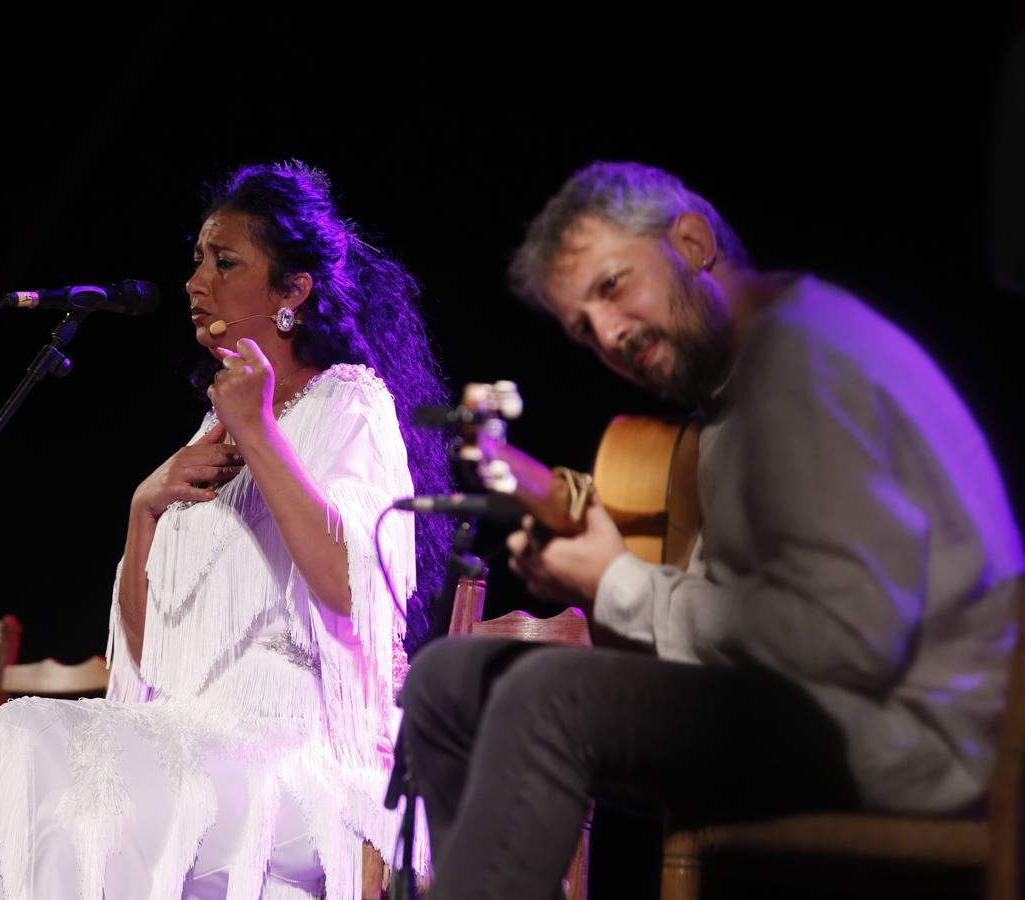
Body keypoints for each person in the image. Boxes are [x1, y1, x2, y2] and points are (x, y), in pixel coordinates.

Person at [397, 161, 1023, 898]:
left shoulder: (804, 362)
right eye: (583, 329)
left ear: (691, 242)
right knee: (450, 680)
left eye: (612, 287)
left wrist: (616, 581)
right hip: (823, 710)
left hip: (915, 737)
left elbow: (843, 644)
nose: (609, 335)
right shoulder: (740, 394)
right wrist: (593, 602)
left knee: (551, 699)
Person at [0, 161, 449, 899]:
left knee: (42, 762)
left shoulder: (350, 404)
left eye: (225, 262)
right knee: (14, 754)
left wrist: (261, 435)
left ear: (293, 293)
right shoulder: (212, 432)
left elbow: (350, 590)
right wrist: (144, 507)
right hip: (197, 731)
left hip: (302, 757)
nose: (195, 281)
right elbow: (151, 661)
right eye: (199, 260)